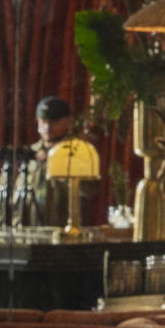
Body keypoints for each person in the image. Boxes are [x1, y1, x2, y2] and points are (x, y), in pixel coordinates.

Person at [37, 95, 102, 230]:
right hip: (32, 229)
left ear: (69, 121)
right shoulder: (31, 153)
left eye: (55, 121)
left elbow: (90, 191)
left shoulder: (78, 152)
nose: (47, 127)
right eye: (43, 121)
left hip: (63, 228)